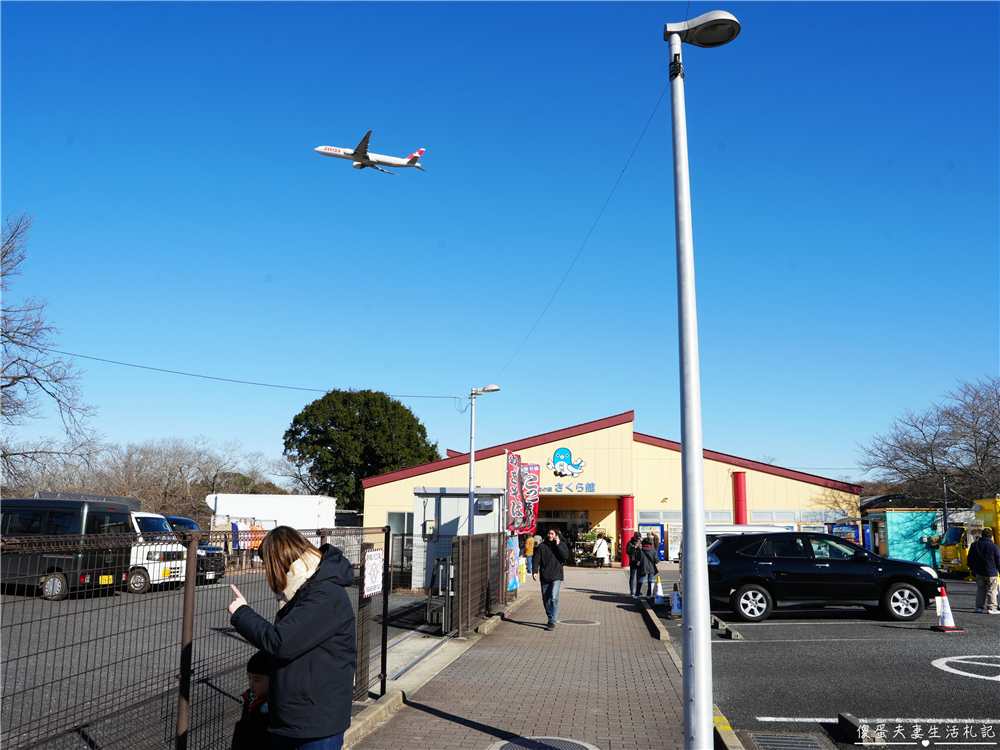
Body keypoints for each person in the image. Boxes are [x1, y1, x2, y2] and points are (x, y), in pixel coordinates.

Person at [228, 526, 356, 750]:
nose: (269, 574)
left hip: (315, 723)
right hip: (298, 718)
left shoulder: (323, 594)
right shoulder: (309, 590)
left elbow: (281, 642)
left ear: (279, 563)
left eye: (268, 566)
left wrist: (242, 613)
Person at [231, 650, 271, 750]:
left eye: (256, 680)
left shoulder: (274, 704)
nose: (251, 684)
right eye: (249, 678)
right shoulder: (250, 697)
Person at [533, 526, 569, 630]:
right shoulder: (542, 546)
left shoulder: (561, 544)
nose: (550, 535)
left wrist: (558, 545)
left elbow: (565, 556)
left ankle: (553, 621)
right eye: (549, 533)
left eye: (552, 534)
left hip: (557, 575)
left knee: (554, 598)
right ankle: (550, 617)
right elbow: (536, 559)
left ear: (556, 535)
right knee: (546, 600)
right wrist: (535, 571)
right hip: (545, 575)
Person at [967, 527, 1000, 614]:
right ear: (991, 537)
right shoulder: (994, 546)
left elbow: (970, 558)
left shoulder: (975, 545)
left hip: (979, 571)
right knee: (992, 590)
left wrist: (972, 568)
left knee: (980, 589)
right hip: (991, 572)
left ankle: (979, 607)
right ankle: (991, 608)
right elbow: (998, 559)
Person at [626, 532, 643, 596]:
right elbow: (627, 551)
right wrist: (634, 548)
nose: (638, 540)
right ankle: (632, 591)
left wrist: (641, 548)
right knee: (632, 576)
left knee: (639, 577)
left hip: (639, 561)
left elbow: (643, 551)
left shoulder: (641, 542)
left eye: (639, 538)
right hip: (633, 561)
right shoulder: (630, 543)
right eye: (637, 538)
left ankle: (638, 590)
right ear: (634, 537)